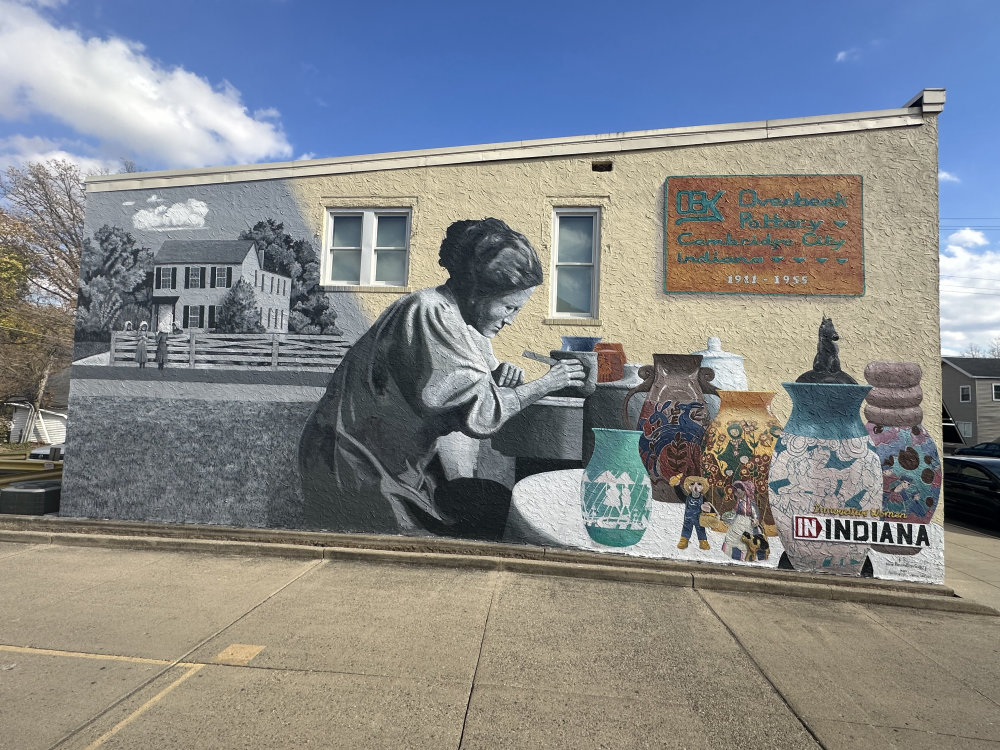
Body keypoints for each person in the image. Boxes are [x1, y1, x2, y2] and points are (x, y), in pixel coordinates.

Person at [298, 218, 585, 537]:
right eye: (508, 307)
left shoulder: (466, 323)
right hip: (354, 466)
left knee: (491, 509)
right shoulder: (430, 313)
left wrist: (496, 378)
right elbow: (481, 416)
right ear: (478, 290)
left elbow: (471, 392)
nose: (511, 321)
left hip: (395, 466)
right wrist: (546, 383)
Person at [670, 473, 712, 550]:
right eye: (692, 484)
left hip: (699, 519)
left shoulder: (703, 499)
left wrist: (707, 509)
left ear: (703, 487)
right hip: (688, 519)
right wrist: (676, 485)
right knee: (686, 528)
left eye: (699, 484)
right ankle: (684, 540)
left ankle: (703, 542)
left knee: (701, 529)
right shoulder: (687, 498)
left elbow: (710, 507)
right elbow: (680, 494)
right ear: (689, 486)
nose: (695, 486)